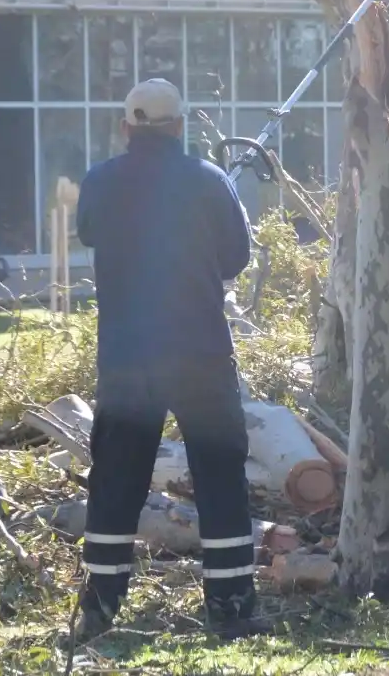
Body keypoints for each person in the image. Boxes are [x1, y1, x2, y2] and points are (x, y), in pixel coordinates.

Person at [71, 78, 265, 645]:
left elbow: (87, 229)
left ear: (127, 126)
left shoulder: (101, 181)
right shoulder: (209, 182)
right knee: (220, 476)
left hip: (129, 358)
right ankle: (230, 608)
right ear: (180, 125)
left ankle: (100, 610)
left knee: (116, 481)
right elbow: (235, 258)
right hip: (200, 353)